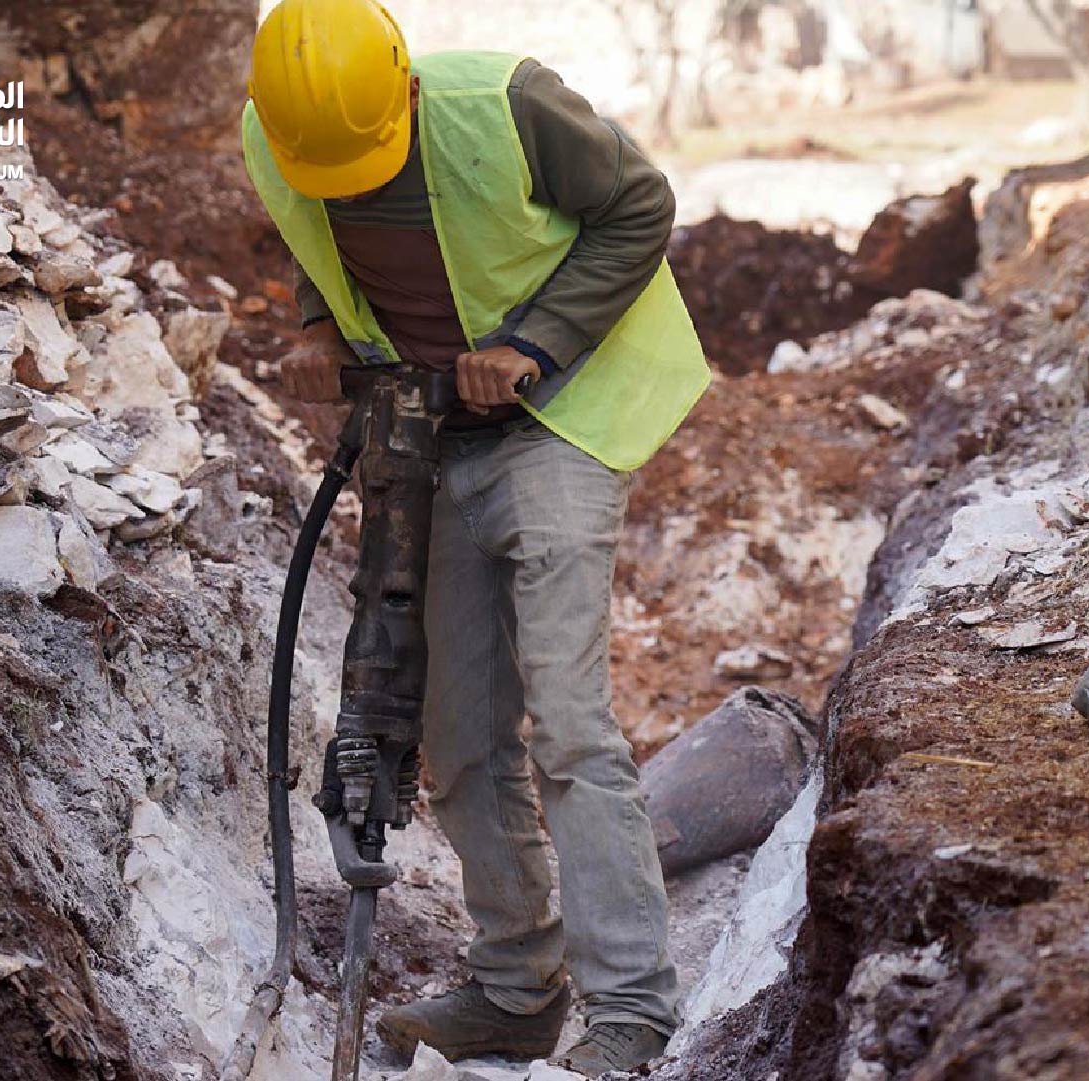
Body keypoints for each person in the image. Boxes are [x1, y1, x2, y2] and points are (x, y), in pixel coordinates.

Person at [240, 0, 711, 1075]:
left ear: (405, 90)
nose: (348, 185)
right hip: (423, 437)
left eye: (365, 161)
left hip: (561, 419)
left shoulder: (506, 105)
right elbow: (315, 244)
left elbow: (640, 205)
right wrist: (322, 330)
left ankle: (630, 1004)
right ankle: (513, 987)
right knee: (453, 745)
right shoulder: (281, 131)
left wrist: (532, 342)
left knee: (570, 725)